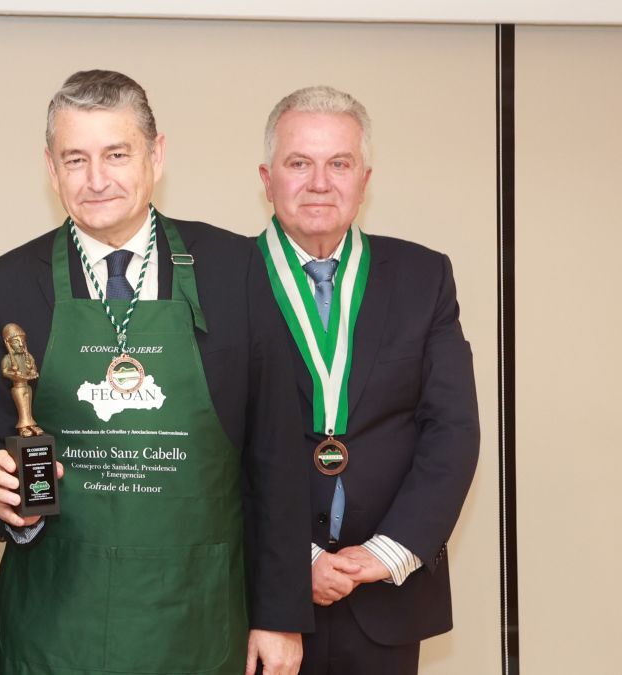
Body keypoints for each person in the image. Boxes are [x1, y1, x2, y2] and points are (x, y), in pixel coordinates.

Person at [0, 69, 312, 675]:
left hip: (197, 617)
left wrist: (279, 615)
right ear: (50, 168)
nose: (97, 180)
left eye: (116, 154)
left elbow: (275, 455)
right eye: (75, 159)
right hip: (55, 621)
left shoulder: (235, 269)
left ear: (156, 154)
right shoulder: (4, 285)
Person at [254, 85, 479, 674]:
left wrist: (388, 553)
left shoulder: (424, 276)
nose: (319, 181)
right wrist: (293, 560)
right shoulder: (222, 280)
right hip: (262, 598)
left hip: (386, 591)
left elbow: (452, 430)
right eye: (299, 162)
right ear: (267, 176)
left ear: (365, 178)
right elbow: (209, 441)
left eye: (339, 163)